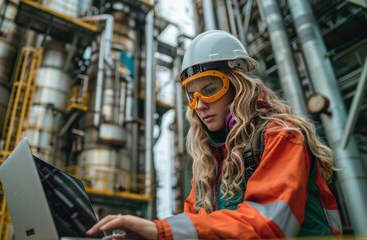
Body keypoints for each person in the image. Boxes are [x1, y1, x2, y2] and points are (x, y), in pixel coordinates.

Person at [86, 30, 342, 239]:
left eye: (210, 88)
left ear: (239, 87)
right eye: (191, 94)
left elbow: (267, 226)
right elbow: (196, 225)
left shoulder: (282, 136)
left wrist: (160, 231)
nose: (199, 104)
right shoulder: (210, 160)